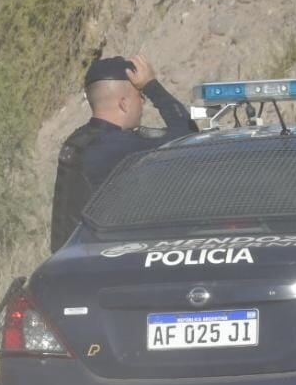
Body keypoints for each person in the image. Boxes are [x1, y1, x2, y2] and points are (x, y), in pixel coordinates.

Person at [50, 54, 197, 252]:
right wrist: (152, 85)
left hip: (71, 261)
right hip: (97, 265)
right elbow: (187, 136)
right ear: (124, 103)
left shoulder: (78, 140)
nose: (142, 103)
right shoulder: (116, 145)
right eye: (140, 96)